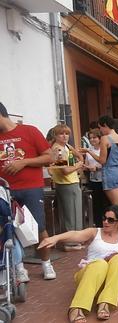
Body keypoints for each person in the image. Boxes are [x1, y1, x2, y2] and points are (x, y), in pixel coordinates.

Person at [38, 205, 118, 322]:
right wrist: (55, 238)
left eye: (110, 220)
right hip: (90, 278)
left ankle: (105, 303)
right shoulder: (94, 232)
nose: (105, 222)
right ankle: (76, 308)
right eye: (104, 218)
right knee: (100, 264)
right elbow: (75, 234)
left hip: (112, 283)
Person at [0, 102, 55, 280]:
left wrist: (23, 162)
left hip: (30, 187)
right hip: (5, 190)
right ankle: (19, 267)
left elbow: (49, 157)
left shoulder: (29, 131)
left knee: (39, 227)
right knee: (9, 228)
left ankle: (46, 264)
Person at [81, 115, 118, 208]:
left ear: (105, 125)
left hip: (110, 172)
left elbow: (102, 161)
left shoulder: (105, 138)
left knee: (117, 206)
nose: (100, 130)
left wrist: (89, 151)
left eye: (100, 127)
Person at [49, 124, 84, 238]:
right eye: (61, 133)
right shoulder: (58, 149)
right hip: (67, 183)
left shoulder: (66, 147)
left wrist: (75, 153)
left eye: (67, 133)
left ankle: (74, 239)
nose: (65, 136)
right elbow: (65, 170)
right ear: (55, 135)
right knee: (71, 215)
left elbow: (79, 156)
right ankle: (71, 241)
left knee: (73, 214)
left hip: (70, 182)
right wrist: (78, 165)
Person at [84, 129, 107, 227]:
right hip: (93, 180)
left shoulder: (103, 148)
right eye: (90, 138)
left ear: (100, 138)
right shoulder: (89, 150)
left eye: (94, 137)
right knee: (95, 205)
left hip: (104, 179)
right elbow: (86, 164)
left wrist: (97, 168)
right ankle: (98, 225)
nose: (92, 140)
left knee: (105, 204)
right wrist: (87, 168)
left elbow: (105, 163)